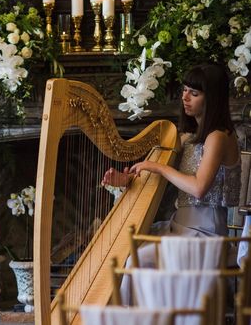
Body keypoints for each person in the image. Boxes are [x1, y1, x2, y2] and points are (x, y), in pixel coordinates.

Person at [102, 63, 241, 301]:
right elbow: (158, 178)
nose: (185, 97)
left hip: (206, 235)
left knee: (136, 260)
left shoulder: (219, 137)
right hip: (178, 228)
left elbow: (198, 188)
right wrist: (127, 179)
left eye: (194, 93)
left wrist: (157, 166)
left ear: (214, 99)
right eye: (185, 90)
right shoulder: (187, 137)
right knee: (124, 251)